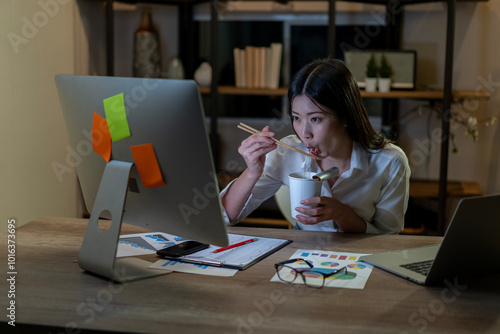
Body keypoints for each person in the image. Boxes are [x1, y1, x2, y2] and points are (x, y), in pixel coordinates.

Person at [220, 58, 411, 234]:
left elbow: (388, 239)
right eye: (296, 118)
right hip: (302, 254)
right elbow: (225, 216)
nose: (304, 133)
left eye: (316, 119)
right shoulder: (286, 153)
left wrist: (342, 214)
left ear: (345, 116)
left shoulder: (389, 162)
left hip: (361, 257)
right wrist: (252, 172)